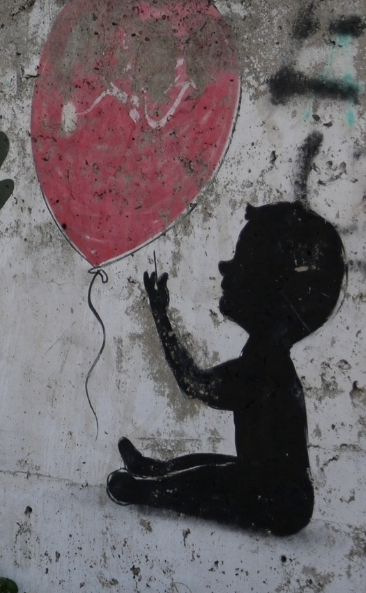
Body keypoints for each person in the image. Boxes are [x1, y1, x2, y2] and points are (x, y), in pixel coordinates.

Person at [107, 202, 345, 537]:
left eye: (240, 263)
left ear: (270, 290)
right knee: (215, 466)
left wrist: (161, 318)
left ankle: (140, 488)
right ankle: (155, 468)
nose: (224, 267)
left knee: (211, 481)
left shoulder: (263, 369)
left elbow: (193, 383)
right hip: (279, 493)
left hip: (277, 506)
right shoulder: (267, 360)